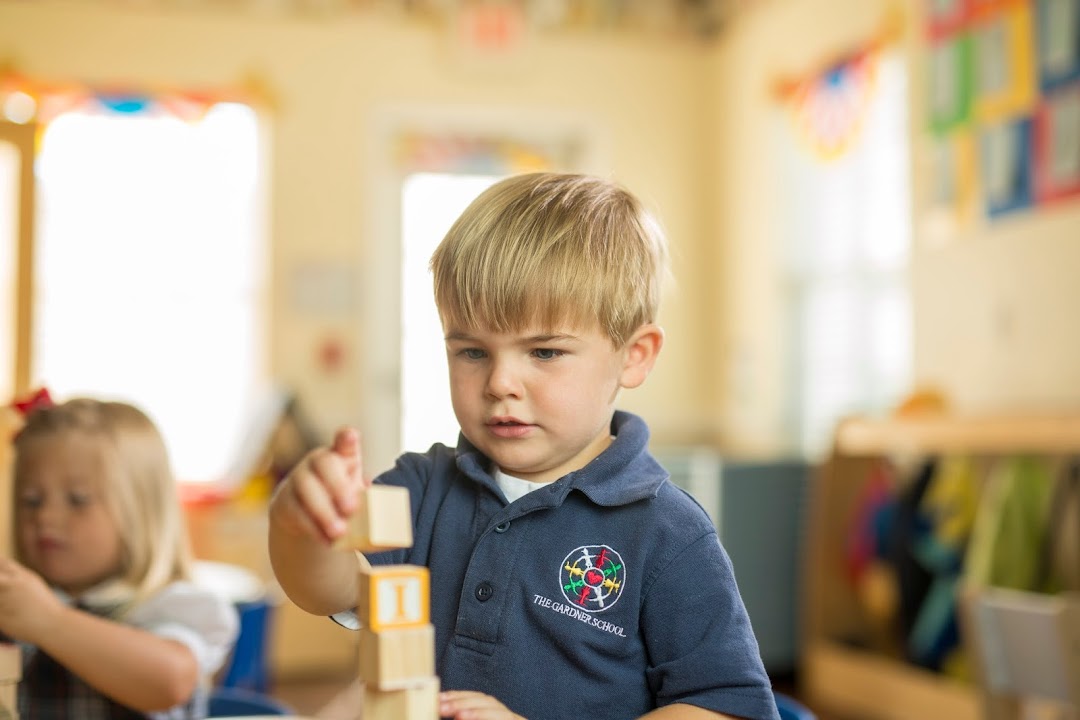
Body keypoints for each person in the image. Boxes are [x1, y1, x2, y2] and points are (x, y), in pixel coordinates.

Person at [268, 172, 780, 720]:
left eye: (544, 352)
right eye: (471, 352)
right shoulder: (421, 487)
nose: (500, 383)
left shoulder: (668, 533)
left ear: (634, 356)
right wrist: (302, 526)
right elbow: (336, 589)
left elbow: (726, 707)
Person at [0, 396, 239, 718]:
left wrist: (49, 621)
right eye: (30, 500)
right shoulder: (24, 602)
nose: (45, 516)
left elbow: (169, 681)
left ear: (141, 512)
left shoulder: (168, 606)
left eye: (77, 499)